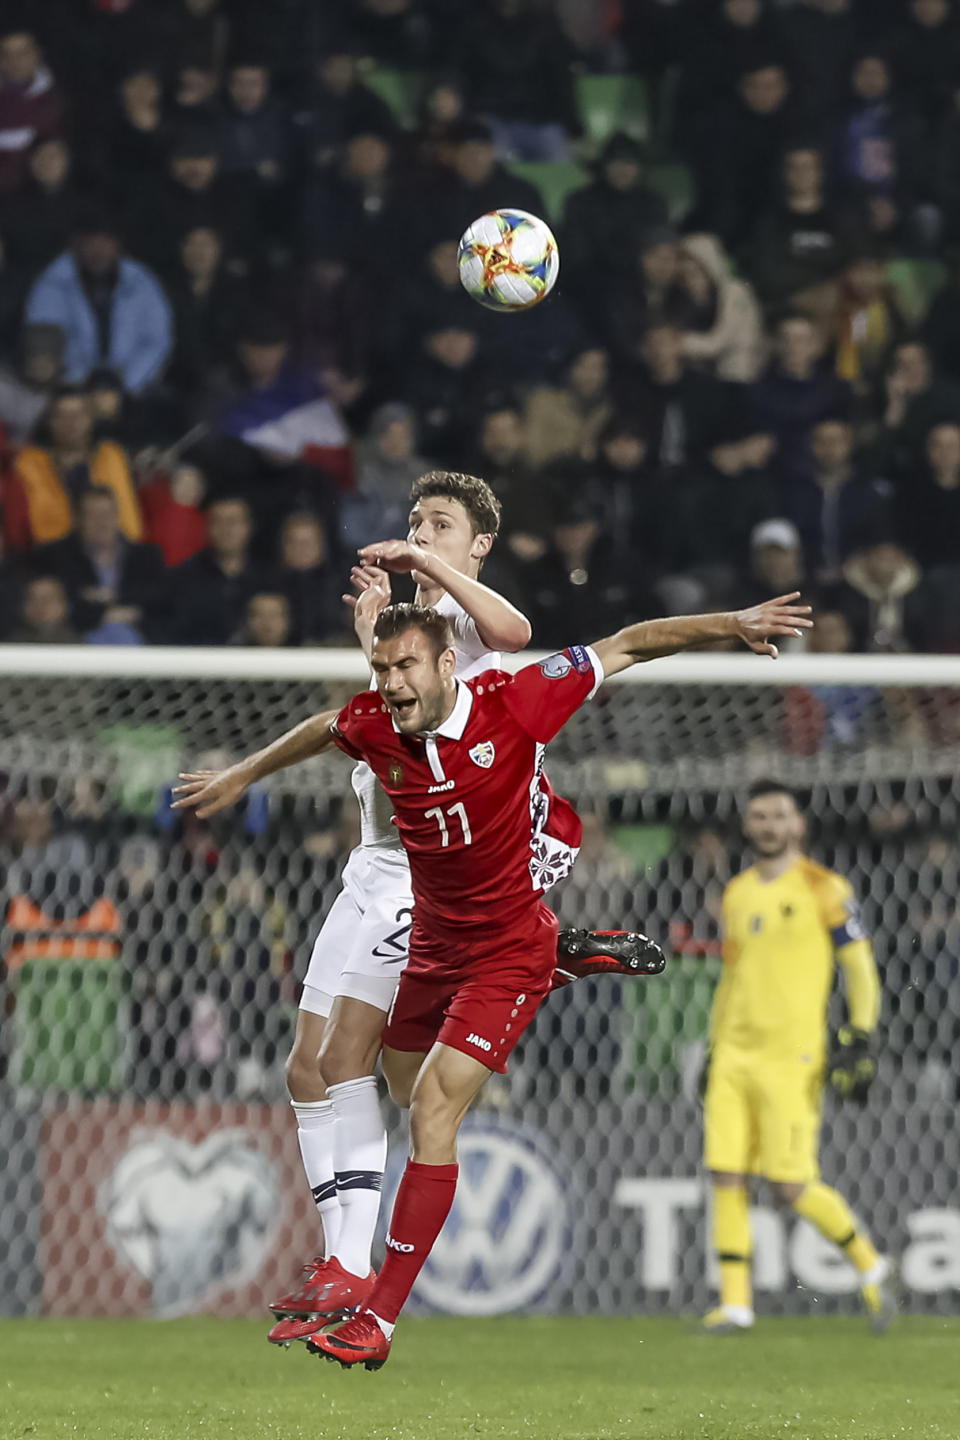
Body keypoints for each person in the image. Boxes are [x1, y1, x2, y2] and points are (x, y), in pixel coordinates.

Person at [174, 577, 811, 1369]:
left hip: (504, 949)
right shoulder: (377, 721)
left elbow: (629, 642)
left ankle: (379, 1320)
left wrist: (733, 622)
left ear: (448, 666)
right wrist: (243, 773)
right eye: (382, 668)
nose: (392, 683)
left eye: (407, 667)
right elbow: (323, 727)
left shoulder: (515, 702)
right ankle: (568, 963)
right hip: (434, 947)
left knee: (433, 1115)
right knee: (400, 1087)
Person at [173, 469, 670, 1347]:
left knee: (348, 1061)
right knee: (313, 1069)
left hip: (430, 871)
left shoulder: (467, 626)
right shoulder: (407, 629)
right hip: (374, 858)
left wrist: (428, 571)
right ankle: (340, 1259)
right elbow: (352, 718)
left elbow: (515, 631)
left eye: (439, 524)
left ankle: (352, 1268)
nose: (417, 535)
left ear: (477, 545)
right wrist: (366, 635)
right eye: (412, 522)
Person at [700, 779, 895, 1336]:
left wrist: (860, 1034)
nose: (769, 825)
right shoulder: (736, 893)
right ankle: (736, 1305)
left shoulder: (825, 887)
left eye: (779, 815)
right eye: (759, 816)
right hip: (735, 1052)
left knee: (789, 1185)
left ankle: (870, 1264)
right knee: (725, 1174)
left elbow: (860, 967)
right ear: (748, 824)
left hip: (793, 1056)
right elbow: (732, 978)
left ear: (798, 824)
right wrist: (715, 1048)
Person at [24, 210, 174, 397]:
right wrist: (80, 386)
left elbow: (157, 342)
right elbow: (44, 344)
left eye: (106, 242)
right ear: (77, 245)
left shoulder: (142, 282)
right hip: (68, 392)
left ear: (117, 245)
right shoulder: (53, 282)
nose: (99, 250)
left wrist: (124, 386)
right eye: (91, 242)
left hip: (133, 391)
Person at [14, 384, 142, 546]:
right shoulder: (29, 462)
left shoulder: (110, 456)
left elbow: (130, 525)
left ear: (91, 419)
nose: (72, 422)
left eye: (79, 414)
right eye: (62, 415)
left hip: (109, 557)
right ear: (50, 422)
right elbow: (30, 529)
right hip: (50, 558)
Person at [37, 486, 167, 643]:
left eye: (108, 514)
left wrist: (112, 595)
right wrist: (112, 614)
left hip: (141, 650)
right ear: (79, 519)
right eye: (93, 515)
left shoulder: (146, 556)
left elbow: (158, 600)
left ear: (118, 516)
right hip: (77, 648)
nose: (102, 522)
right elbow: (64, 606)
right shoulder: (57, 556)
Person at [0, 28, 64, 195]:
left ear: (37, 54)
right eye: (6, 54)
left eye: (23, 53)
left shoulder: (53, 101)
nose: (15, 61)